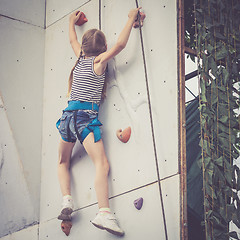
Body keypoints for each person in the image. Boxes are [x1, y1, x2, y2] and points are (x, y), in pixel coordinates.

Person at [56, 7, 141, 237]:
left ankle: (67, 201)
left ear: (83, 48)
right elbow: (121, 46)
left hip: (67, 118)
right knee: (101, 165)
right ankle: (104, 212)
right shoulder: (99, 62)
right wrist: (131, 18)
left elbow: (73, 39)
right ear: (102, 49)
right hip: (85, 119)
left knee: (63, 162)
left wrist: (70, 22)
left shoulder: (79, 57)